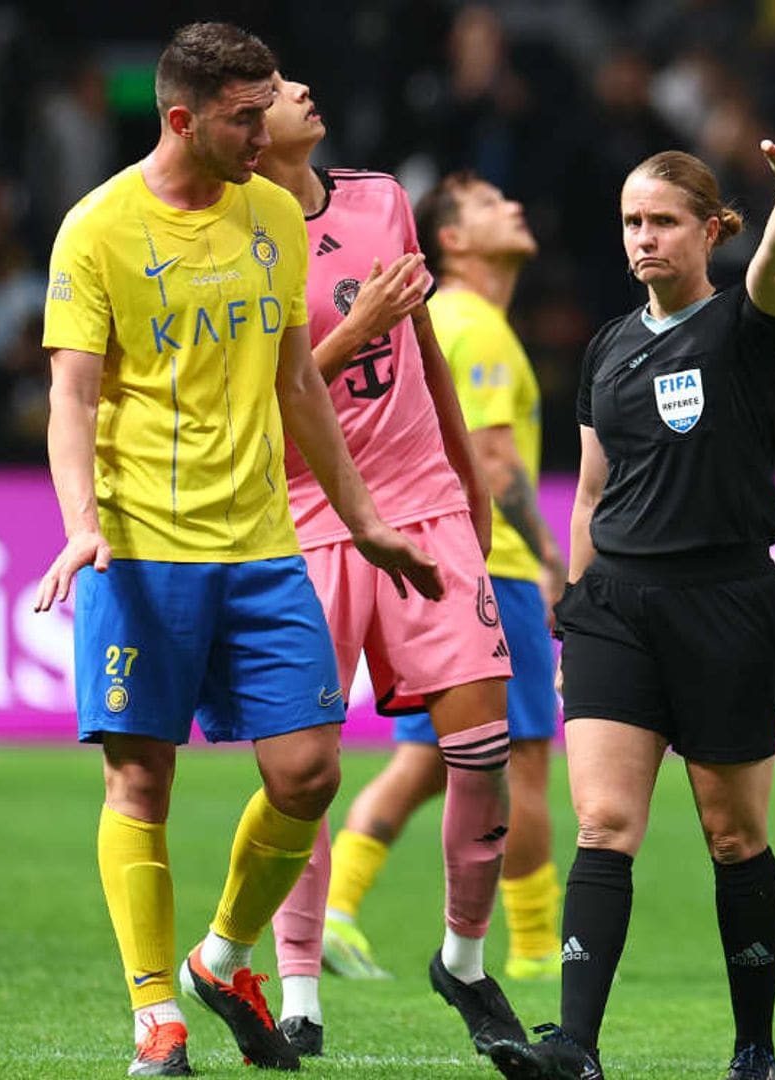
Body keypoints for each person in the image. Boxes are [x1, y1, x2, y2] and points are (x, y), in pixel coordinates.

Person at [35, 25, 444, 1078]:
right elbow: (72, 394)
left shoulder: (270, 214)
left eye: (269, 110)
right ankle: (154, 1019)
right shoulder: (98, 229)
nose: (267, 134)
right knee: (142, 785)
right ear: (182, 119)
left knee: (308, 772)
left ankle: (221, 957)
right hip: (141, 547)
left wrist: (361, 518)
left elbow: (298, 376)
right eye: (245, 117)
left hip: (263, 542)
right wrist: (82, 522)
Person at [490, 97, 775, 1080]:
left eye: (664, 220)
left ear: (711, 228)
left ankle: (754, 1047)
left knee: (733, 835)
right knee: (604, 824)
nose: (643, 237)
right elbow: (592, 491)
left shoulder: (742, 326)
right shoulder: (606, 349)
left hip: (724, 602)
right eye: (632, 221)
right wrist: (575, 608)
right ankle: (575, 1047)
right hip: (616, 610)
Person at [256, 74, 528, 1062]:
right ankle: (297, 995)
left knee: (485, 746)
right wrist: (354, 325)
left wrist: (467, 474)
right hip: (303, 521)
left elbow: (425, 353)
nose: (304, 91)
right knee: (302, 775)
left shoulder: (380, 200)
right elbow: (260, 399)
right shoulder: (238, 237)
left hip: (422, 504)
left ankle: (462, 957)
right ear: (248, 126)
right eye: (280, 89)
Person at [317, 170, 567, 987]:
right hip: (487, 565)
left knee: (429, 765)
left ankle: (339, 912)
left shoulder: (440, 318)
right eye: (494, 203)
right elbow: (493, 458)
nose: (517, 204)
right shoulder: (479, 327)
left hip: (413, 546)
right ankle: (535, 951)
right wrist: (553, 561)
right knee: (520, 761)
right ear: (450, 240)